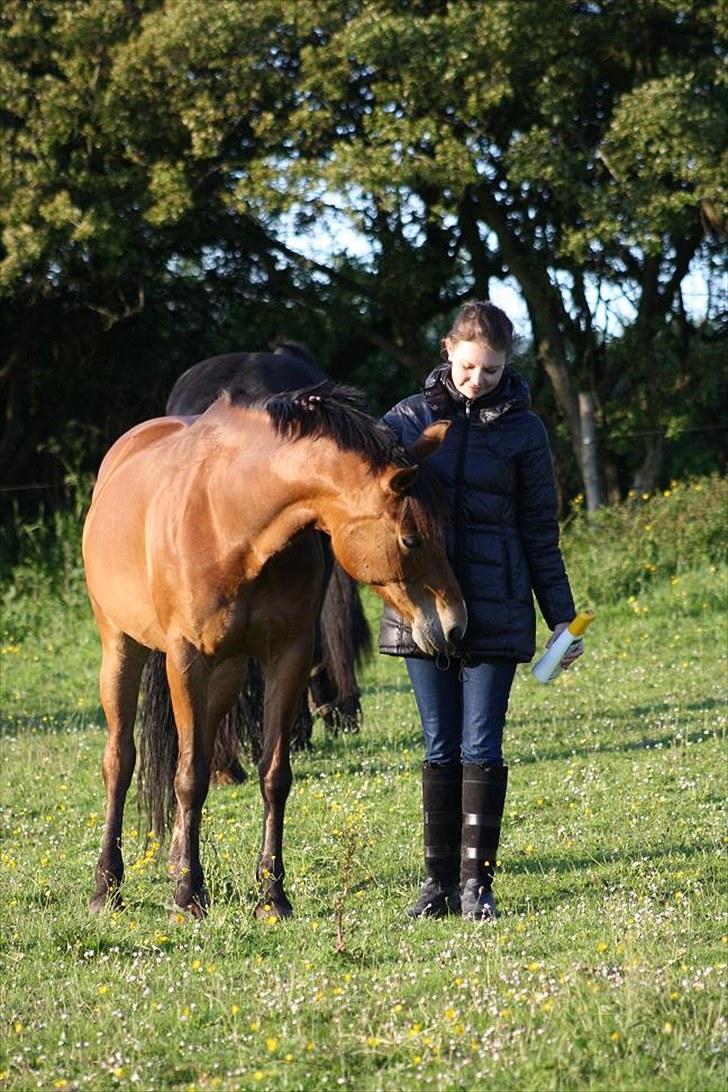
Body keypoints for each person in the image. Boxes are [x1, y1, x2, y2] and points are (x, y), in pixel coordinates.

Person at [379, 300, 582, 922]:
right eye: (469, 367)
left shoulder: (525, 431)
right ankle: (436, 886)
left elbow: (540, 531)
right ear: (448, 351)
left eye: (490, 371)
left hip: (496, 608)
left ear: (506, 365)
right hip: (424, 611)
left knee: (481, 747)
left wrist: (562, 621)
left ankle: (477, 888)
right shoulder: (405, 420)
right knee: (439, 746)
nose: (477, 380)